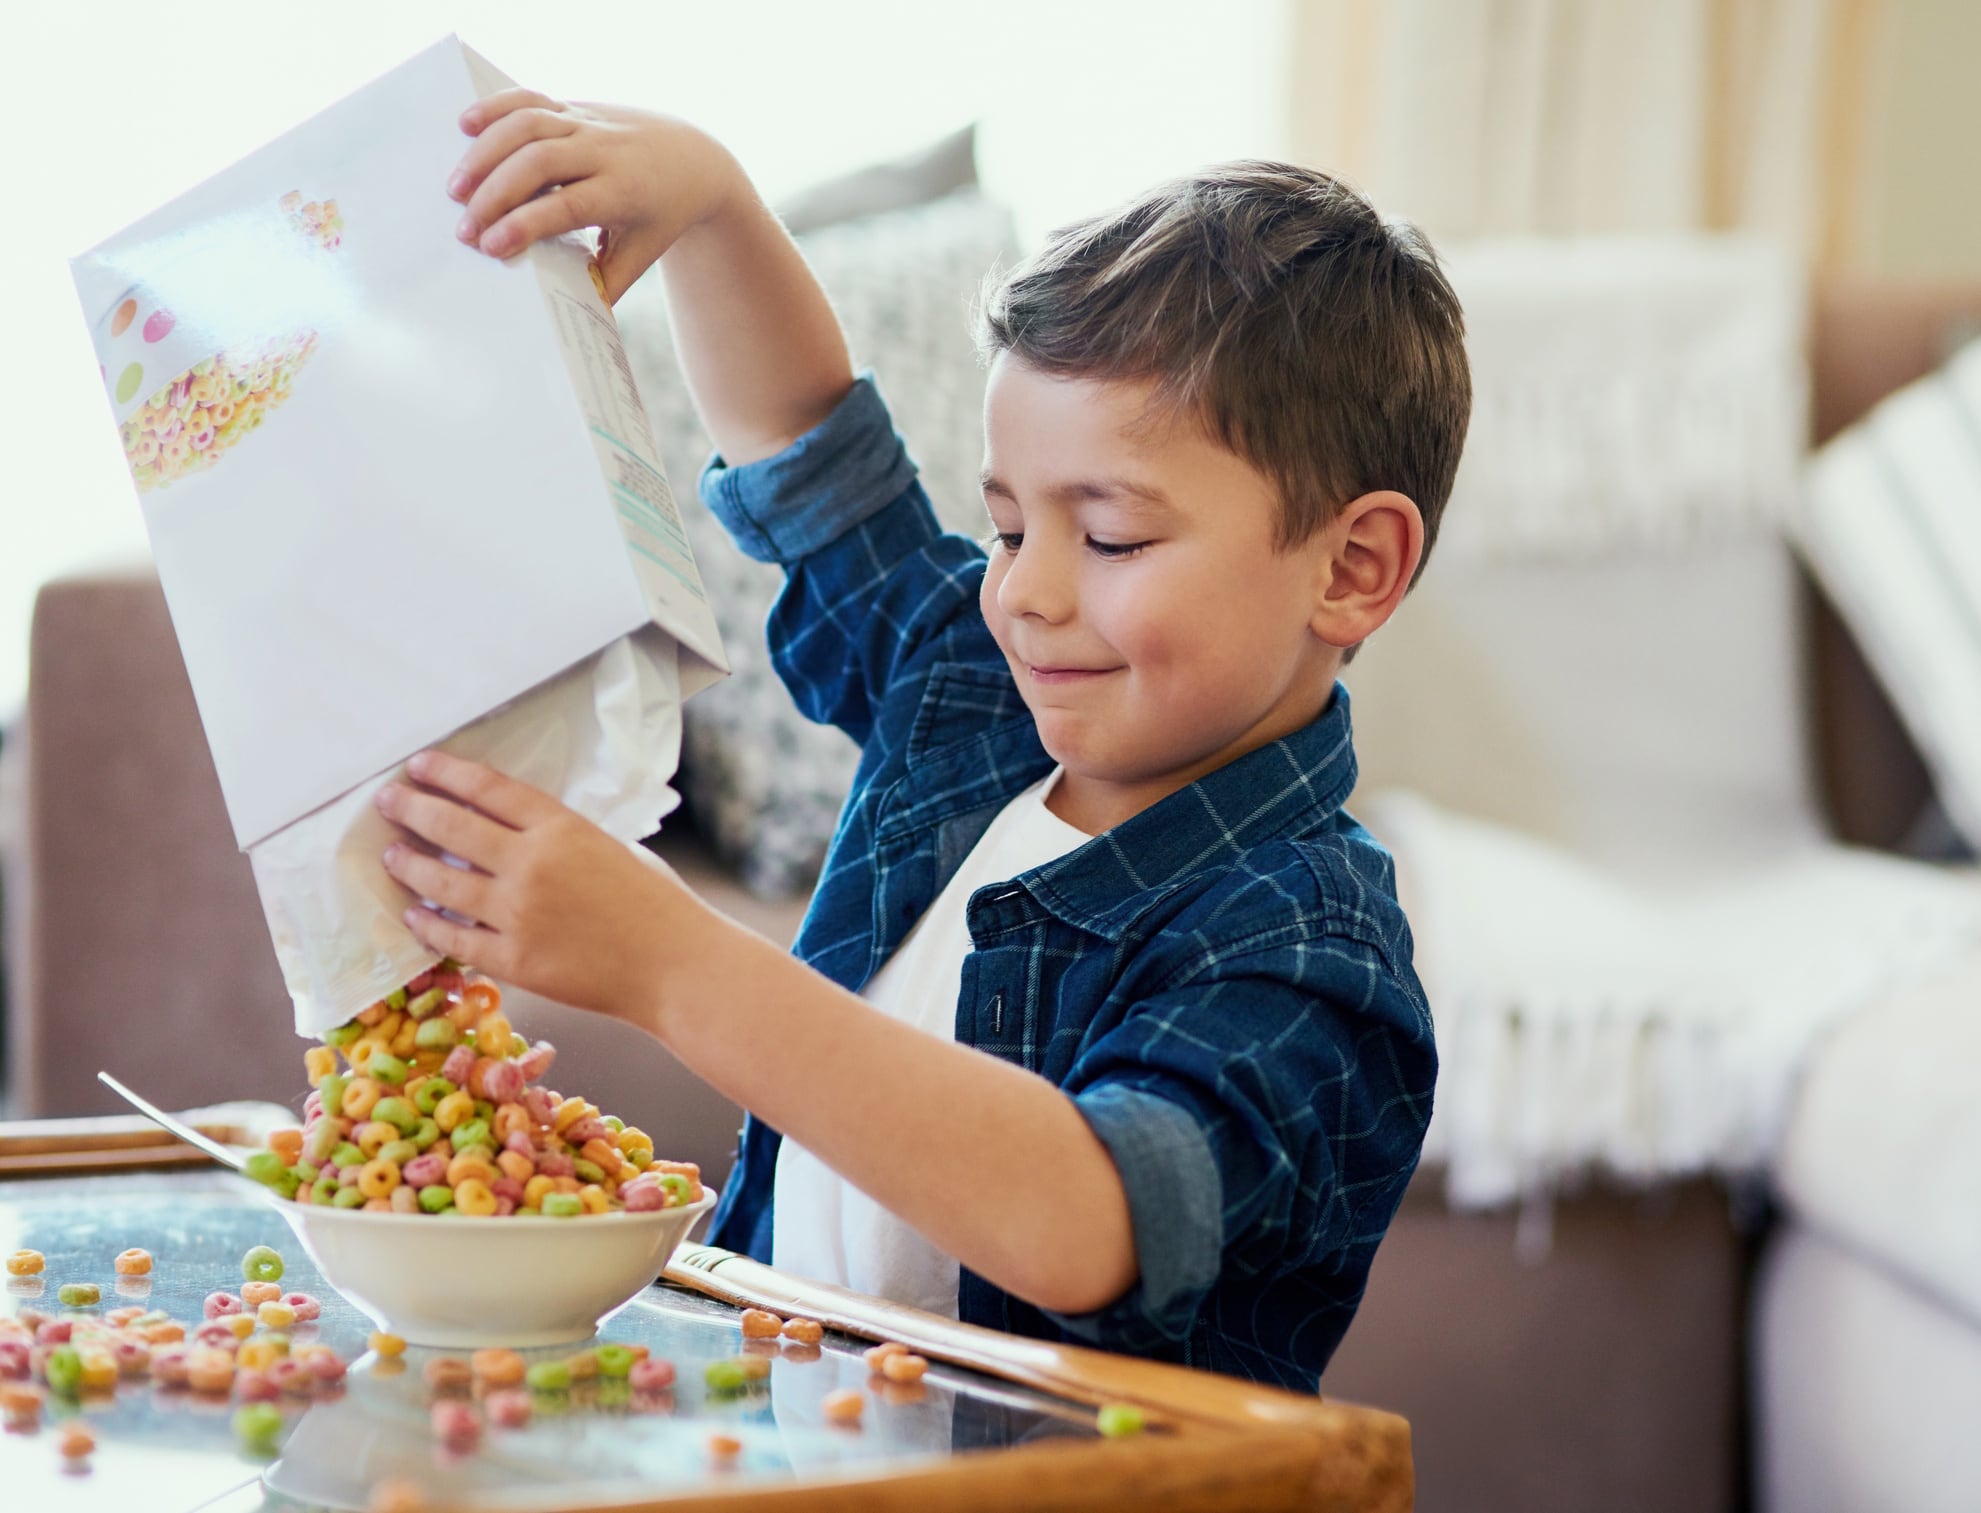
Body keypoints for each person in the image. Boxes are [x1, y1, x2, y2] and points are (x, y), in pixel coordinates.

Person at [376, 88, 1470, 1391]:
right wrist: (714, 208)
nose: (1026, 591)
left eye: (1111, 537)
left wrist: (672, 964)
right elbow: (814, 464)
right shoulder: (977, 696)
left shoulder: (1308, 942)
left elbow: (1083, 1217)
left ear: (1351, 567)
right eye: (1008, 525)